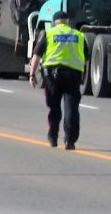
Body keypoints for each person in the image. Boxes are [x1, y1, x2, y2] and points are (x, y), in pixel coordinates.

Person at [29, 11, 86, 150]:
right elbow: (86, 56)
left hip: (52, 77)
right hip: (73, 75)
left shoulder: (49, 33)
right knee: (71, 108)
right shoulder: (79, 35)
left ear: (54, 22)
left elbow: (36, 55)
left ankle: (53, 138)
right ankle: (70, 141)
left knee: (54, 108)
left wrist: (32, 75)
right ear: (67, 22)